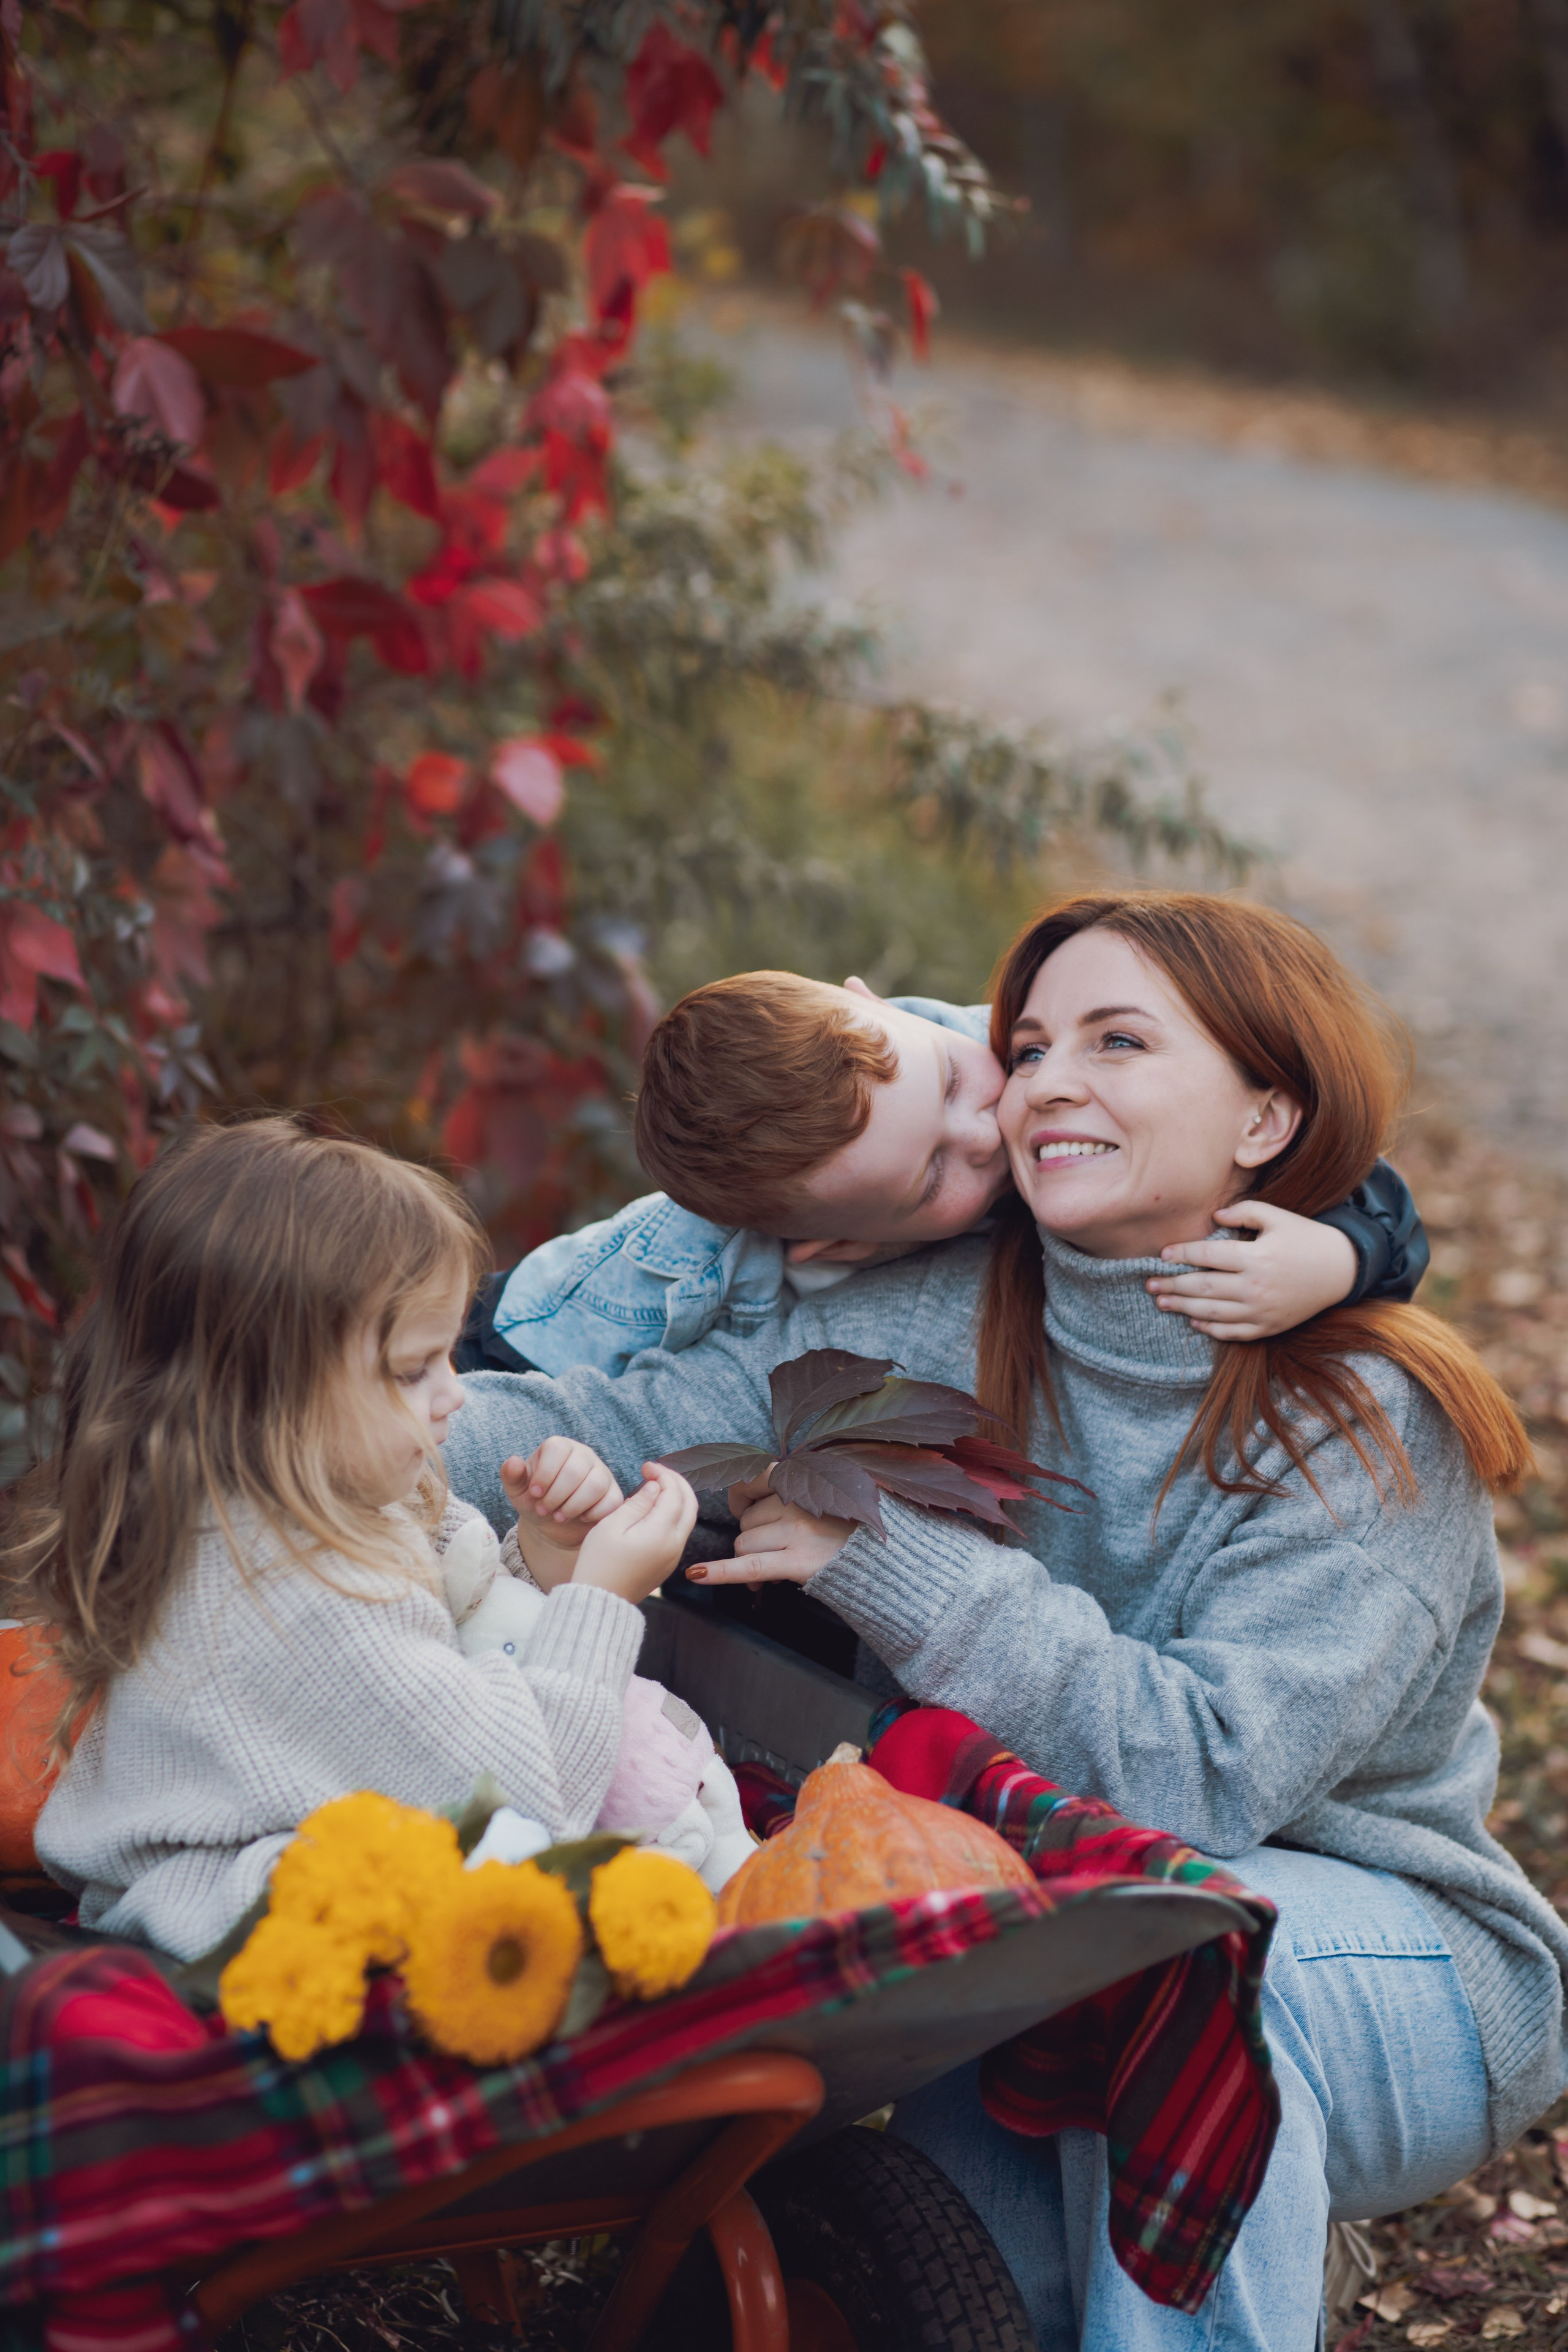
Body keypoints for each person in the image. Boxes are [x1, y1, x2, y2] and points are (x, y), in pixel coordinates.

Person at [442, 893, 1566, 2351]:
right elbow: (625, 1415)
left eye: (1117, 1041)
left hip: (1372, 1943)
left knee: (1186, 1964)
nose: (1044, 1082)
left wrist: (888, 1559)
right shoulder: (941, 1307)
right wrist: (288, 1427)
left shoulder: (1357, 1426)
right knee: (940, 2283)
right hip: (1043, 1933)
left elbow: (1202, 1782)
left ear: (1260, 1116)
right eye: (1027, 1044)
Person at [5, 1118, 696, 1962]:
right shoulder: (293, 1588)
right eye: (415, 1370)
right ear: (262, 1392)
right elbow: (522, 1804)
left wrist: (546, 1559)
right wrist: (600, 1600)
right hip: (237, 1955)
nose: (458, 1396)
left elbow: (446, 1648)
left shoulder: (285, 1502)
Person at [456, 972, 1428, 1379]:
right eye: (933, 1176)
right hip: (531, 1329)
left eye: (960, 1082)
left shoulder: (1006, 1052)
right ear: (843, 1246)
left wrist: (1340, 1256)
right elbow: (505, 1371)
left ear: (873, 1004)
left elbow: (1317, 1152)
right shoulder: (684, 1275)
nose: (994, 1126)